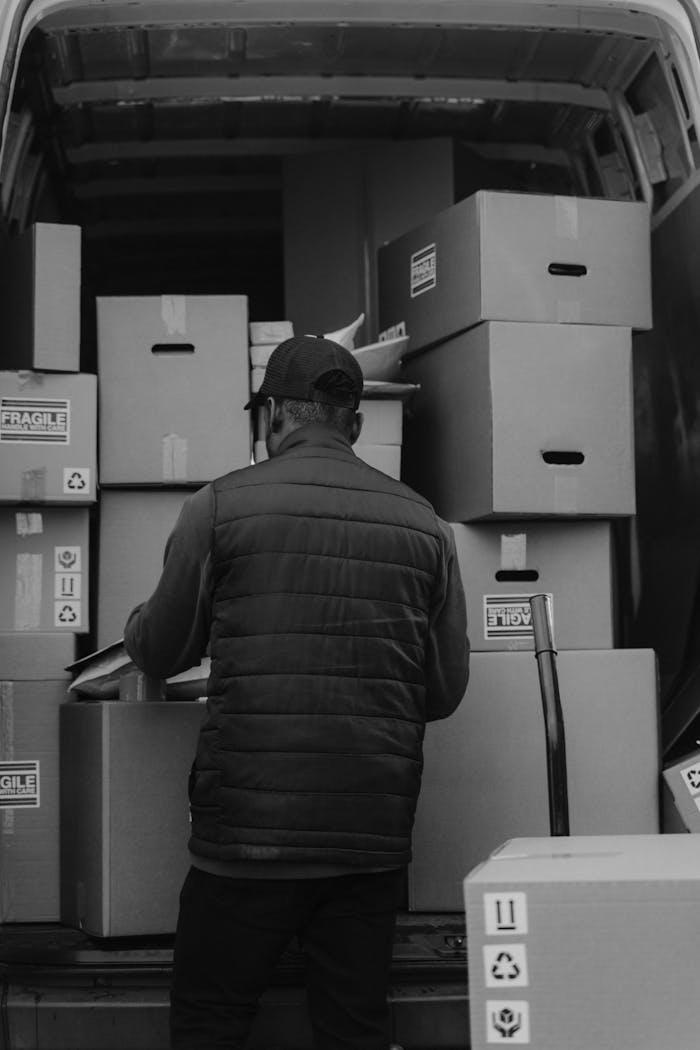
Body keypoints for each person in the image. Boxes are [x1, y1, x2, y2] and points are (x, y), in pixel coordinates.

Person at [123, 334, 470, 1050]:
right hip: (368, 844)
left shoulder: (219, 506)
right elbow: (442, 691)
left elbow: (162, 648)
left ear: (275, 416)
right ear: (356, 423)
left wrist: (134, 629)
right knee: (354, 1029)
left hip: (246, 841)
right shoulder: (426, 525)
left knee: (211, 1019)